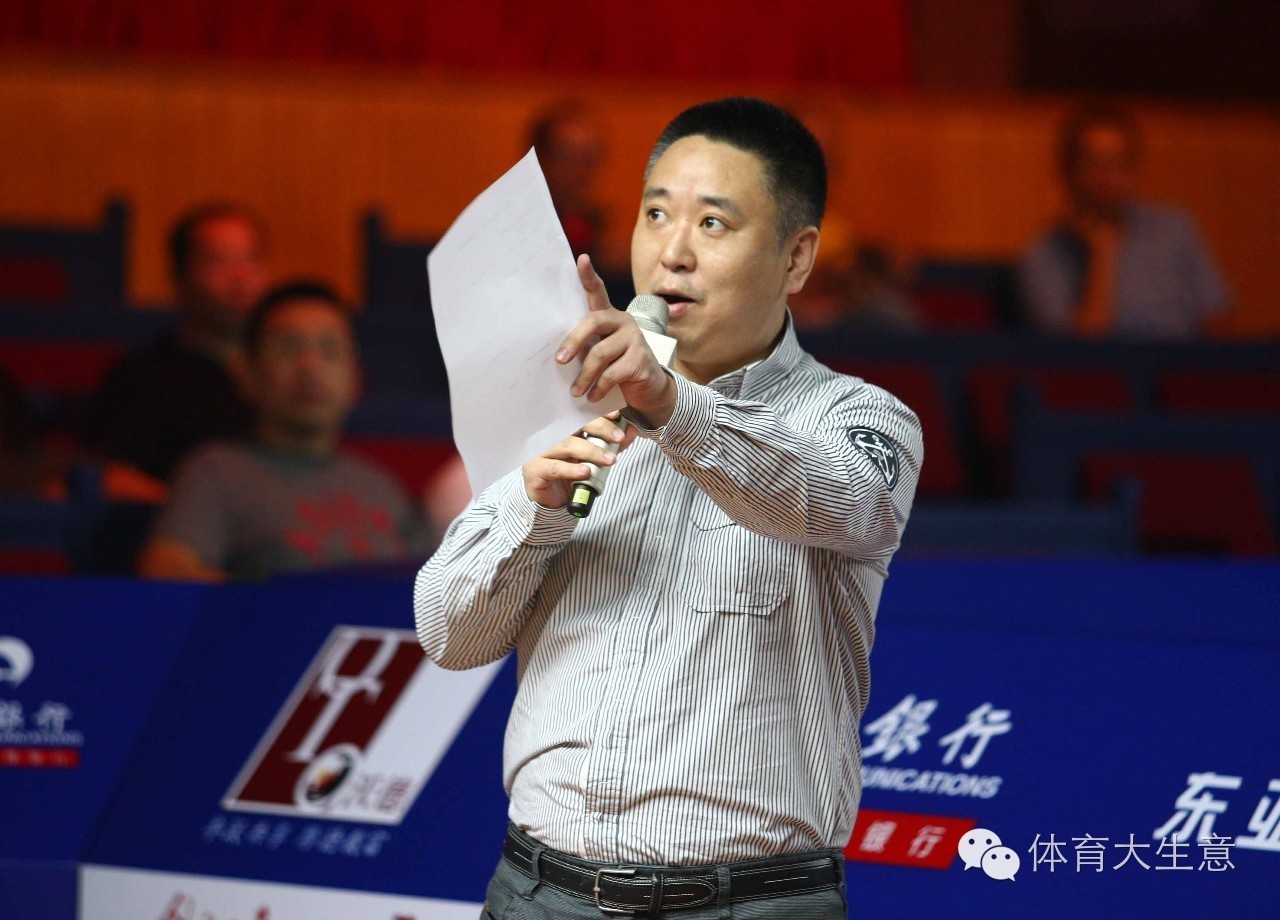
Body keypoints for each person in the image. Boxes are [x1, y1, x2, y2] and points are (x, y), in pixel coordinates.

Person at [415, 98, 922, 919]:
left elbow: (843, 498)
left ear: (797, 258)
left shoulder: (862, 416)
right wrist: (536, 511)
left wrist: (668, 402)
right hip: (539, 892)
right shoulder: (570, 402)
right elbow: (448, 635)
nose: (672, 252)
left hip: (748, 904)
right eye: (656, 215)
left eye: (713, 224)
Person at [137, 281, 427, 582]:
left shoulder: (382, 485)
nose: (310, 367)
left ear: (356, 379)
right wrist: (272, 604)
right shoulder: (214, 472)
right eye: (287, 349)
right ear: (245, 373)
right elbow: (166, 568)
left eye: (330, 351)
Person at [81, 203, 269, 485]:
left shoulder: (279, 373)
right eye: (218, 261)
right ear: (180, 275)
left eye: (252, 259)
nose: (241, 278)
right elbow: (109, 475)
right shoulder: (143, 375)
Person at [1019, 103, 1230, 339]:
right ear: (1069, 170)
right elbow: (1081, 350)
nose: (1107, 177)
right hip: (1108, 363)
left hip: (1180, 359)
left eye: (1119, 163)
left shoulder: (1175, 228)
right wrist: (1102, 252)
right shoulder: (1046, 254)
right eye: (1094, 163)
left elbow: (1217, 320)